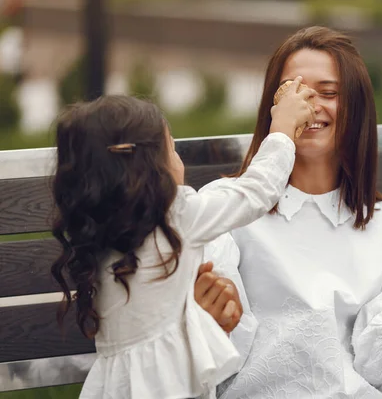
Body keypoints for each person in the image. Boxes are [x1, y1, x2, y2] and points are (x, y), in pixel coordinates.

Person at [196, 26, 382, 398]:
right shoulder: (227, 212)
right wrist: (207, 318)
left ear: (355, 109)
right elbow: (211, 353)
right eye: (295, 92)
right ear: (272, 108)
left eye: (328, 93)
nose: (310, 105)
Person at [49, 87, 315, 399]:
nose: (178, 159)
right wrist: (282, 129)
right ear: (151, 168)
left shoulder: (100, 235)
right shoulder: (179, 217)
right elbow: (258, 189)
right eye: (173, 150)